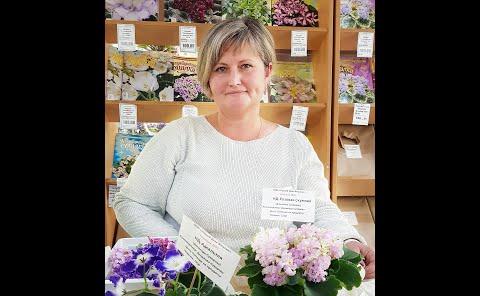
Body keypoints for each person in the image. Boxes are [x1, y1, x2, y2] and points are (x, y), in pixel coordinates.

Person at [114, 17, 375, 280]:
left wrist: (349, 242)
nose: (234, 80)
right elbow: (132, 203)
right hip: (188, 293)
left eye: (246, 66)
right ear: (207, 78)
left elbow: (319, 211)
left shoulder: (294, 146)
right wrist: (183, 255)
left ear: (267, 71)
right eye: (221, 69)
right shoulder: (180, 136)